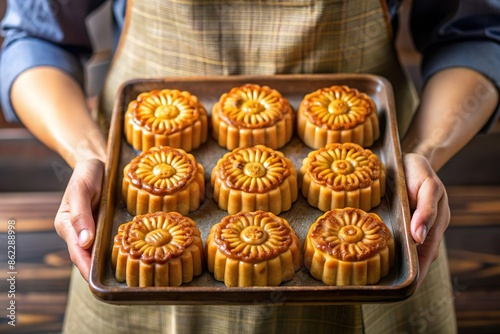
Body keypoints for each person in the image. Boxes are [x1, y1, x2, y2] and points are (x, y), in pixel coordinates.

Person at [1, 0, 499, 333]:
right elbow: (33, 37)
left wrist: (423, 150)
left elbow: (474, 32)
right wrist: (91, 154)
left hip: (387, 215)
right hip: (133, 209)